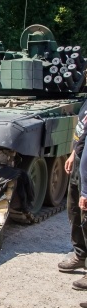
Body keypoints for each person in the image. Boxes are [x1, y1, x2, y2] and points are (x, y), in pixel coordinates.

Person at [58, 99, 87, 290]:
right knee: (74, 212)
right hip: (78, 162)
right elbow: (82, 133)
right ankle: (80, 254)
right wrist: (72, 155)